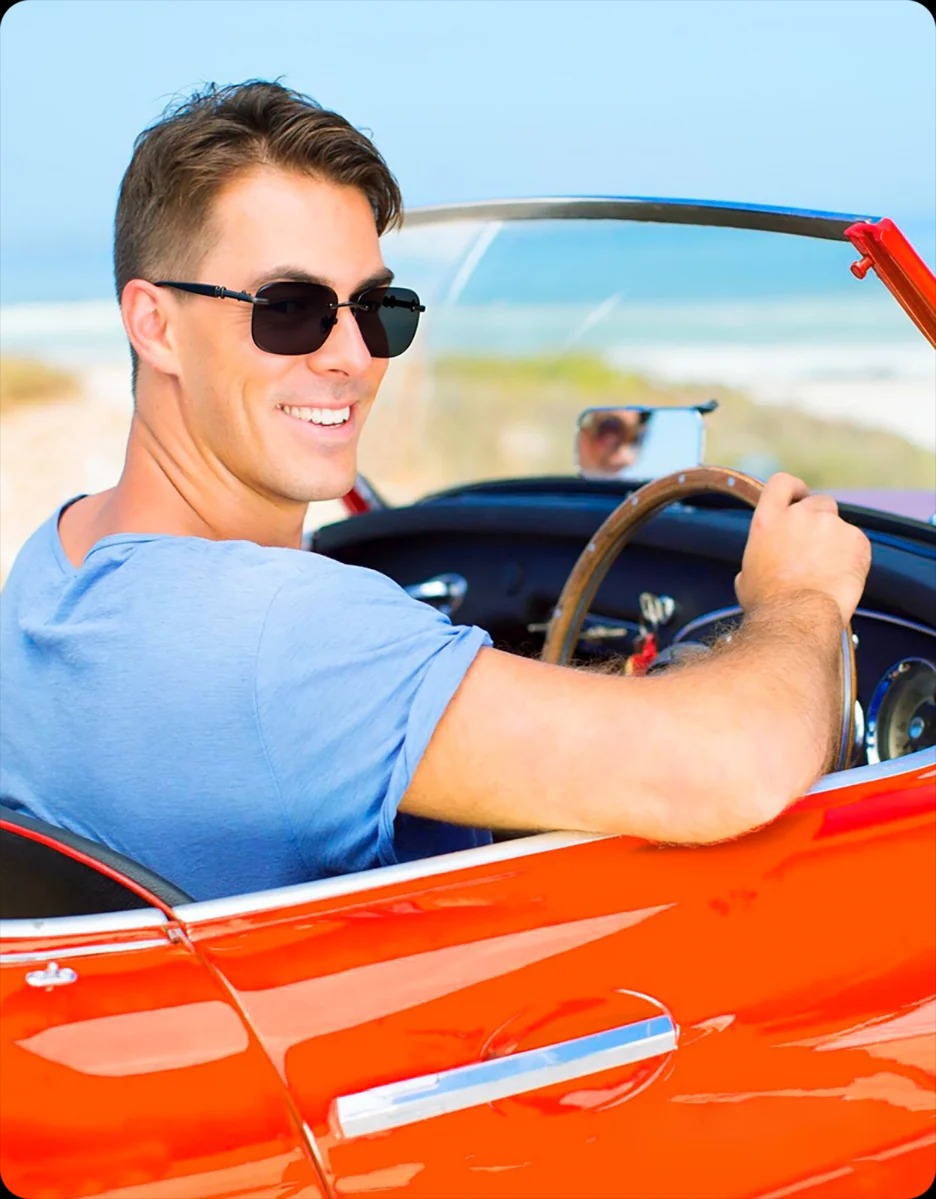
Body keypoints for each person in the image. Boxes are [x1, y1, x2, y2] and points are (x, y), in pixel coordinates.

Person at [0, 81, 871, 902]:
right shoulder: (285, 636)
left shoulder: (60, 558)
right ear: (155, 324)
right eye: (289, 308)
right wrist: (798, 599)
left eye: (377, 310)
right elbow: (733, 763)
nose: (352, 357)